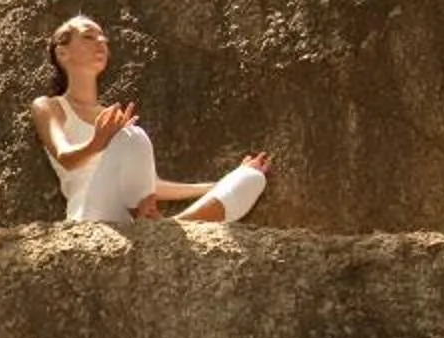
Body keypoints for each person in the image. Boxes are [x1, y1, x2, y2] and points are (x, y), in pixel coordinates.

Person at [29, 15, 271, 224]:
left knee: (251, 179)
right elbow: (65, 157)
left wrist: (223, 181)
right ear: (63, 53)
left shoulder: (115, 118)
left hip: (127, 217)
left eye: (103, 38)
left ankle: (160, 228)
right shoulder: (49, 106)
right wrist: (98, 142)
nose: (101, 42)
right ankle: (158, 226)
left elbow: (149, 185)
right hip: (90, 212)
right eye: (88, 37)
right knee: (133, 136)